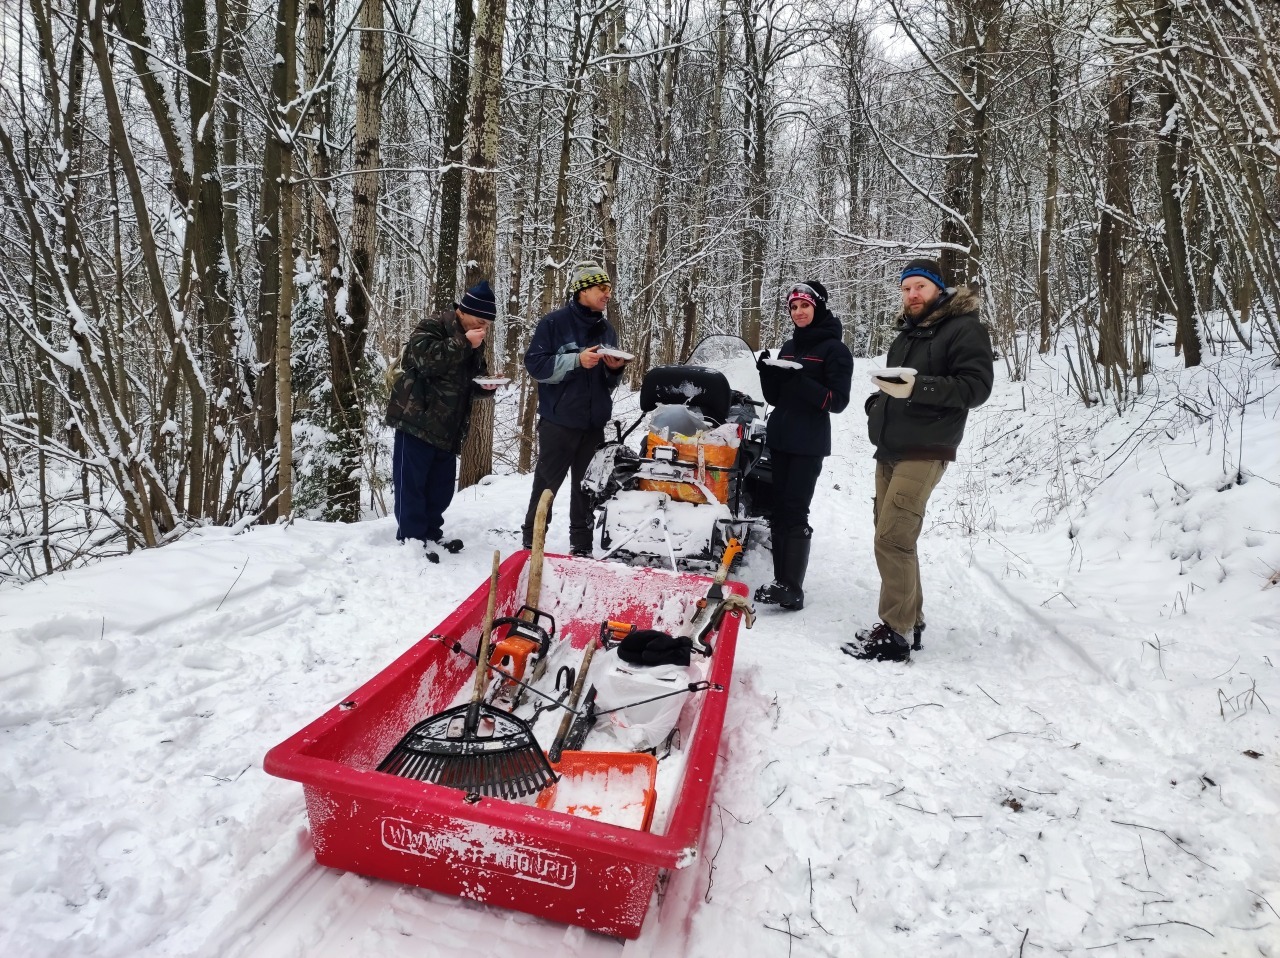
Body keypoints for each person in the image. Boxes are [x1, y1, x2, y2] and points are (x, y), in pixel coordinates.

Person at [844, 258, 994, 662]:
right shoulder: (908, 335)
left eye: (920, 288)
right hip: (891, 449)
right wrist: (878, 403)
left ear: (938, 290)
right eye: (906, 288)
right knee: (895, 534)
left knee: (892, 536)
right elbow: (899, 383)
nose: (912, 295)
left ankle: (896, 631)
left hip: (927, 449)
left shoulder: (963, 329)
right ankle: (913, 619)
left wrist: (915, 388)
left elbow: (976, 388)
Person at [753, 280, 853, 611]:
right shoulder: (789, 347)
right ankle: (781, 581)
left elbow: (837, 401)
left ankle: (792, 588)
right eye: (793, 307)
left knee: (795, 509)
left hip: (809, 441)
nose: (798, 312)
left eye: (804, 306)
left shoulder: (834, 350)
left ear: (818, 307)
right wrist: (768, 373)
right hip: (780, 435)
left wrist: (801, 380)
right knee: (778, 507)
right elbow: (777, 397)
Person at [384, 279, 500, 562]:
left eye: (487, 322)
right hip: (418, 419)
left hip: (450, 426)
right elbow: (426, 361)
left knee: (440, 487)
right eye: (480, 319)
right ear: (463, 310)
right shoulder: (433, 325)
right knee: (412, 484)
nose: (483, 326)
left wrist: (484, 386)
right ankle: (412, 539)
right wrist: (464, 342)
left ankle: (432, 534)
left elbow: (472, 377)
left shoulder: (475, 339)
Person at [521, 261, 628, 555]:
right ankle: (533, 539)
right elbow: (536, 366)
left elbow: (607, 383)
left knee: (586, 488)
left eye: (609, 289)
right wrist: (575, 360)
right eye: (601, 288)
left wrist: (615, 370)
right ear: (582, 290)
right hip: (559, 421)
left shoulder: (606, 329)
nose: (608, 294)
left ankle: (580, 545)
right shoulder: (553, 324)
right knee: (546, 483)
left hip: (593, 424)